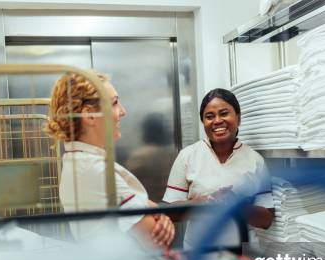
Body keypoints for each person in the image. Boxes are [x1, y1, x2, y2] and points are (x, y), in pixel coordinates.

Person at [45, 71, 174, 248]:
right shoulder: (96, 171)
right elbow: (156, 238)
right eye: (114, 103)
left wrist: (158, 213)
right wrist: (160, 215)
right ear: (90, 115)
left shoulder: (81, 162)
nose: (122, 111)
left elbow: (145, 207)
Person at [163, 88, 274, 248]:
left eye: (224, 113)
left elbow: (266, 220)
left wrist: (236, 205)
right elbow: (169, 213)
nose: (217, 121)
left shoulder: (255, 160)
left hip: (243, 259)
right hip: (198, 256)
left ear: (238, 118)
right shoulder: (188, 156)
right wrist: (204, 202)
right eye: (209, 117)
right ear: (203, 123)